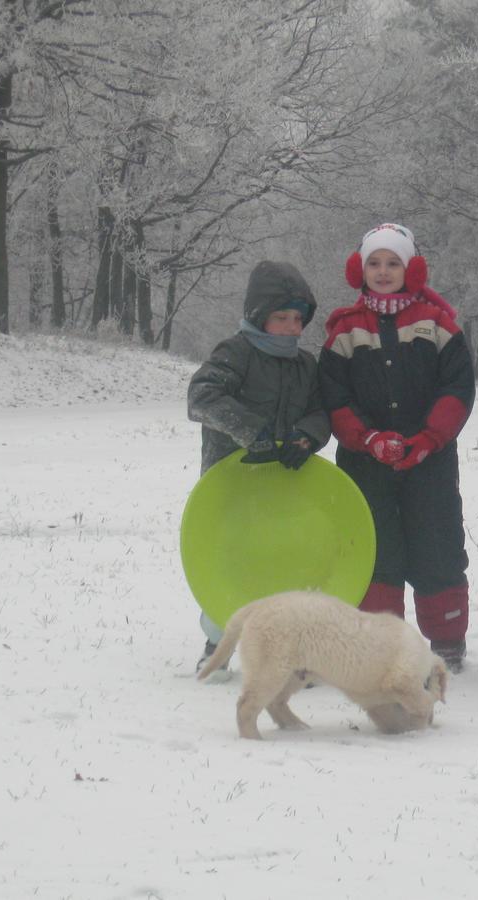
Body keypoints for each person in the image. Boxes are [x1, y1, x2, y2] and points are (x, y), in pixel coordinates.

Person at [319, 223, 475, 673]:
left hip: (430, 461)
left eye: (393, 263)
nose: (383, 271)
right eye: (374, 263)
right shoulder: (344, 330)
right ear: (359, 269)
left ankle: (446, 638)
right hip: (365, 463)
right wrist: (367, 438)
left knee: (438, 543)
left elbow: (456, 389)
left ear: (412, 269)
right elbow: (335, 398)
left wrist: (428, 439)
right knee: (374, 548)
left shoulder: (438, 324)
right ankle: (379, 641)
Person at [187, 260, 331, 671]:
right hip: (232, 483)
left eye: (297, 318)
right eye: (280, 317)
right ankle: (217, 643)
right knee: (233, 561)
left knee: (285, 558)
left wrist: (307, 437)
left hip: (285, 484)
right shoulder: (235, 352)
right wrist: (252, 431)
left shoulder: (305, 365)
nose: (291, 326)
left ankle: (290, 650)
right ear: (258, 316)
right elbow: (201, 397)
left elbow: (321, 410)